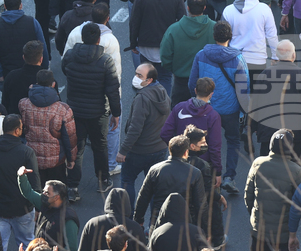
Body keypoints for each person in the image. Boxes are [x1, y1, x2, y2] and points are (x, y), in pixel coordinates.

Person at [188, 22, 249, 194]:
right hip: (230, 109)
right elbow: (243, 89)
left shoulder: (201, 55)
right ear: (230, 37)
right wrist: (245, 110)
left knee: (204, 141)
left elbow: (192, 82)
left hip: (206, 108)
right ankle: (229, 177)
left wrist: (197, 101)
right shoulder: (238, 59)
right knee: (233, 140)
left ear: (214, 36)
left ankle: (206, 175)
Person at [62, 23, 121, 199]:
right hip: (98, 112)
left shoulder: (70, 56)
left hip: (75, 110)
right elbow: (112, 89)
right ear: (98, 39)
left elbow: (65, 70)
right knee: (100, 146)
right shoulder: (105, 61)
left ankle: (72, 187)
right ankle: (103, 181)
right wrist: (116, 113)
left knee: (76, 148)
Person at [245, 130, 301, 251]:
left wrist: (255, 216)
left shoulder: (258, 163)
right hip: (282, 235)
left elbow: (248, 196)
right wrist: (293, 231)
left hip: (259, 232)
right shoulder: (296, 170)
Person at [0, 115, 40, 251]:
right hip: (23, 209)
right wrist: (38, 206)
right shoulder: (26, 152)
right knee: (27, 246)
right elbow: (34, 182)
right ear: (17, 130)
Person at [117, 63, 171, 204]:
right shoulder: (162, 92)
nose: (135, 77)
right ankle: (154, 222)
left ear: (149, 80)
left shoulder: (142, 98)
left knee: (127, 181)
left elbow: (135, 129)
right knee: (154, 187)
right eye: (136, 73)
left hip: (139, 151)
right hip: (159, 149)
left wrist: (123, 151)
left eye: (140, 75)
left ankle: (128, 219)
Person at [129, 0, 184, 91]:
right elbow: (182, 23)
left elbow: (134, 21)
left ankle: (145, 102)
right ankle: (163, 105)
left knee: (145, 76)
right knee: (165, 77)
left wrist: (133, 42)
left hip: (145, 45)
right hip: (167, 46)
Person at [16, 174, 80, 251]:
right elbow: (28, 193)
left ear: (56, 197)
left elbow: (71, 248)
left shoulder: (68, 218)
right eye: (43, 191)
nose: (43, 195)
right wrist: (21, 176)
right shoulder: (46, 203)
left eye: (47, 193)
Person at [134, 136, 205, 229]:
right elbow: (200, 204)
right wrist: (204, 229)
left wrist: (138, 219)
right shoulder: (195, 173)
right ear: (186, 152)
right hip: (186, 224)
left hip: (158, 223)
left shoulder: (155, 170)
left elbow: (143, 197)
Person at [19, 69, 76, 184]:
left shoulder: (23, 104)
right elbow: (69, 137)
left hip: (32, 158)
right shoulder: (63, 109)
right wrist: (71, 159)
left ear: (36, 83)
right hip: (56, 160)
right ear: (53, 84)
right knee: (56, 193)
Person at [161, 0, 217, 108]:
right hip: (207, 83)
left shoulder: (173, 30)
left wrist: (176, 69)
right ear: (204, 8)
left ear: (188, 8)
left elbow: (165, 57)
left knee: (179, 118)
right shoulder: (215, 28)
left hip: (181, 82)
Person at [224, 0, 279, 66]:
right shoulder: (264, 9)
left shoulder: (228, 11)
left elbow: (224, 37)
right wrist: (275, 56)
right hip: (258, 60)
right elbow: (271, 35)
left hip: (235, 60)